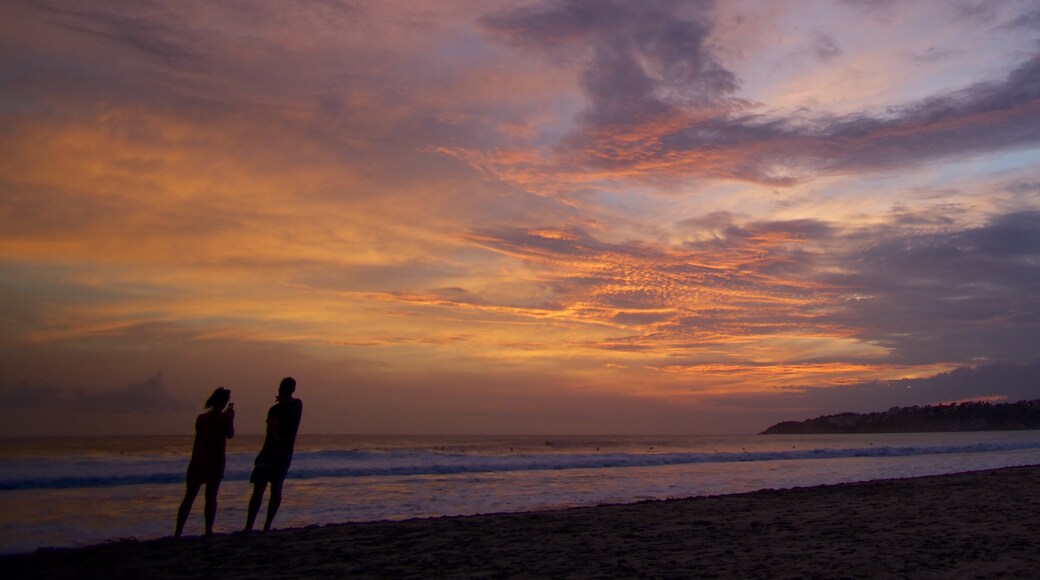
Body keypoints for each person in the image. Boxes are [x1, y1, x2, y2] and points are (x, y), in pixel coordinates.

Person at [244, 377, 303, 532]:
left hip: (270, 450)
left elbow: (270, 428)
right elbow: (291, 403)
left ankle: (249, 526)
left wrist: (277, 440)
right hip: (286, 451)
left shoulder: (275, 409)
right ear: (293, 389)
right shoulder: (297, 405)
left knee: (259, 490)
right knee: (276, 488)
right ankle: (267, 525)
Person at [175, 387, 235, 537]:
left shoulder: (201, 418)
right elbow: (230, 434)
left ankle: (178, 531)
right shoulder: (224, 418)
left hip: (198, 459)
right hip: (215, 460)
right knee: (211, 497)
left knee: (189, 496)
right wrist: (231, 418)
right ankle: (208, 530)